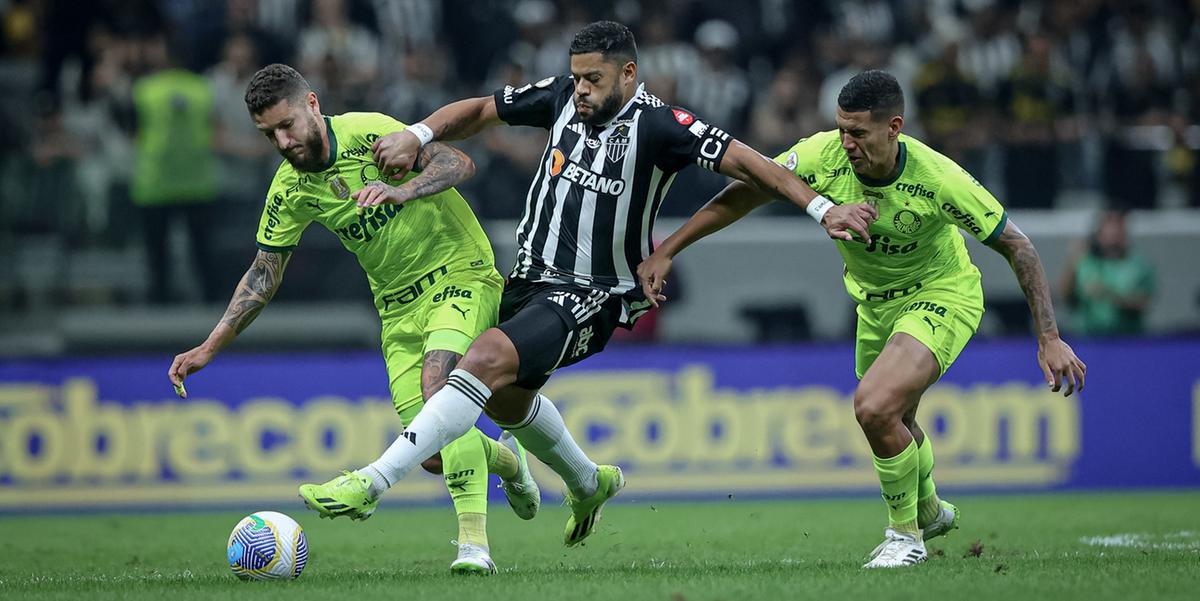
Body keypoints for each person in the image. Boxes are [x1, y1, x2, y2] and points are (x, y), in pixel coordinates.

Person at [299, 21, 872, 548]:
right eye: (576, 77)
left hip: (593, 292)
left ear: (628, 74)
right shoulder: (559, 99)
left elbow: (754, 166)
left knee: (484, 359)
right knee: (505, 398)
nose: (581, 90)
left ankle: (372, 482)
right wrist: (417, 133)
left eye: (593, 79)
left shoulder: (661, 125)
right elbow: (480, 109)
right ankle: (587, 481)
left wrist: (823, 210)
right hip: (528, 278)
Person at [638, 70, 1086, 568]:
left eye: (858, 133)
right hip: (874, 305)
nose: (846, 143)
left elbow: (1018, 246)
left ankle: (905, 538)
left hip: (942, 294)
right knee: (896, 420)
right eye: (841, 129)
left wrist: (1049, 337)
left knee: (874, 407)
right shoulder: (821, 155)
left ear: (894, 127)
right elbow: (744, 193)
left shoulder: (939, 178)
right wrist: (669, 248)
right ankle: (930, 511)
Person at [166, 64, 539, 575]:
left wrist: (404, 188)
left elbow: (459, 162)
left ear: (312, 104)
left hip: (460, 273)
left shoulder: (369, 133)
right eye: (269, 134)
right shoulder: (290, 190)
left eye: (287, 125)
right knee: (431, 452)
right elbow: (263, 274)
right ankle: (511, 463)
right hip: (397, 308)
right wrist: (209, 346)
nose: (282, 142)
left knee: (439, 394)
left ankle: (473, 548)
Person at [1059, 209, 1155, 336]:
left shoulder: (1138, 265)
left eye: (1118, 230)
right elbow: (1065, 296)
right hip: (1087, 337)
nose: (1113, 235)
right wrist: (1072, 260)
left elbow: (1144, 303)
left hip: (1127, 338)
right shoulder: (1086, 262)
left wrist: (1109, 295)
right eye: (1109, 230)